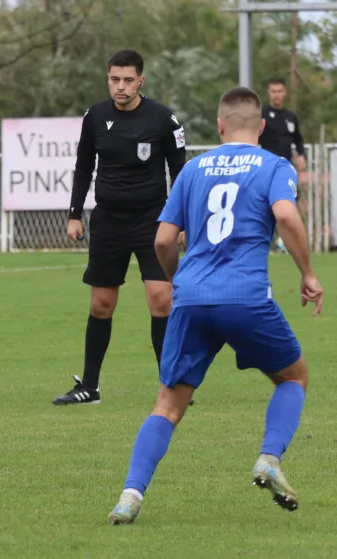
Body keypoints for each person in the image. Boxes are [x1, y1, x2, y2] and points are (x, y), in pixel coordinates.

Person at [107, 86, 323, 525]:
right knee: (293, 376)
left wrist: (174, 279)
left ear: (220, 126)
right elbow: (285, 214)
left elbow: (164, 239)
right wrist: (307, 273)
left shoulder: (192, 169)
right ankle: (268, 457)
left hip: (192, 297)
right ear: (261, 128)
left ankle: (130, 496)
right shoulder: (273, 164)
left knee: (168, 404)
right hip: (245, 296)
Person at [55, 49, 187, 406]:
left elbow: (180, 173)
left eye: (128, 80)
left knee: (161, 300)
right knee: (101, 304)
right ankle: (90, 387)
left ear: (140, 80)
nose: (121, 87)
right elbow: (83, 167)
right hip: (109, 220)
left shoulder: (163, 119)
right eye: (115, 79)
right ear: (108, 79)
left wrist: (182, 221)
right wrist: (74, 214)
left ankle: (171, 385)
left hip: (153, 220)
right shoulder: (95, 117)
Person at [259, 77, 307, 253]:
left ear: (284, 93)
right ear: (268, 93)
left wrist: (302, 155)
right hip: (267, 169)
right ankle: (266, 242)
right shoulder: (262, 115)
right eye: (273, 91)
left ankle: (284, 243)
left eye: (279, 91)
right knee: (266, 207)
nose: (276, 95)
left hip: (287, 169)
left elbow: (298, 140)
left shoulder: (290, 117)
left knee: (290, 205)